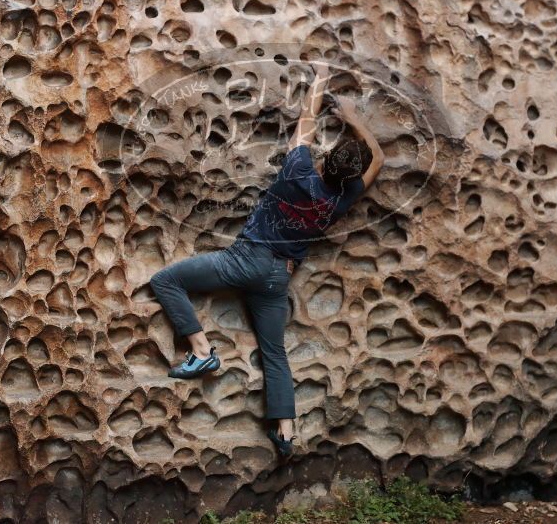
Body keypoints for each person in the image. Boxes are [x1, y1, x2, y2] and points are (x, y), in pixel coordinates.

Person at [149, 62, 385, 457]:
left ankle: (202, 352)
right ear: (352, 181)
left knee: (166, 281)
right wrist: (357, 119)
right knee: (275, 353)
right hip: (278, 278)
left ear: (325, 160)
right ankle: (286, 432)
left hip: (244, 260)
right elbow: (378, 158)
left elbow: (307, 119)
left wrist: (322, 80)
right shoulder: (340, 200)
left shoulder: (297, 170)